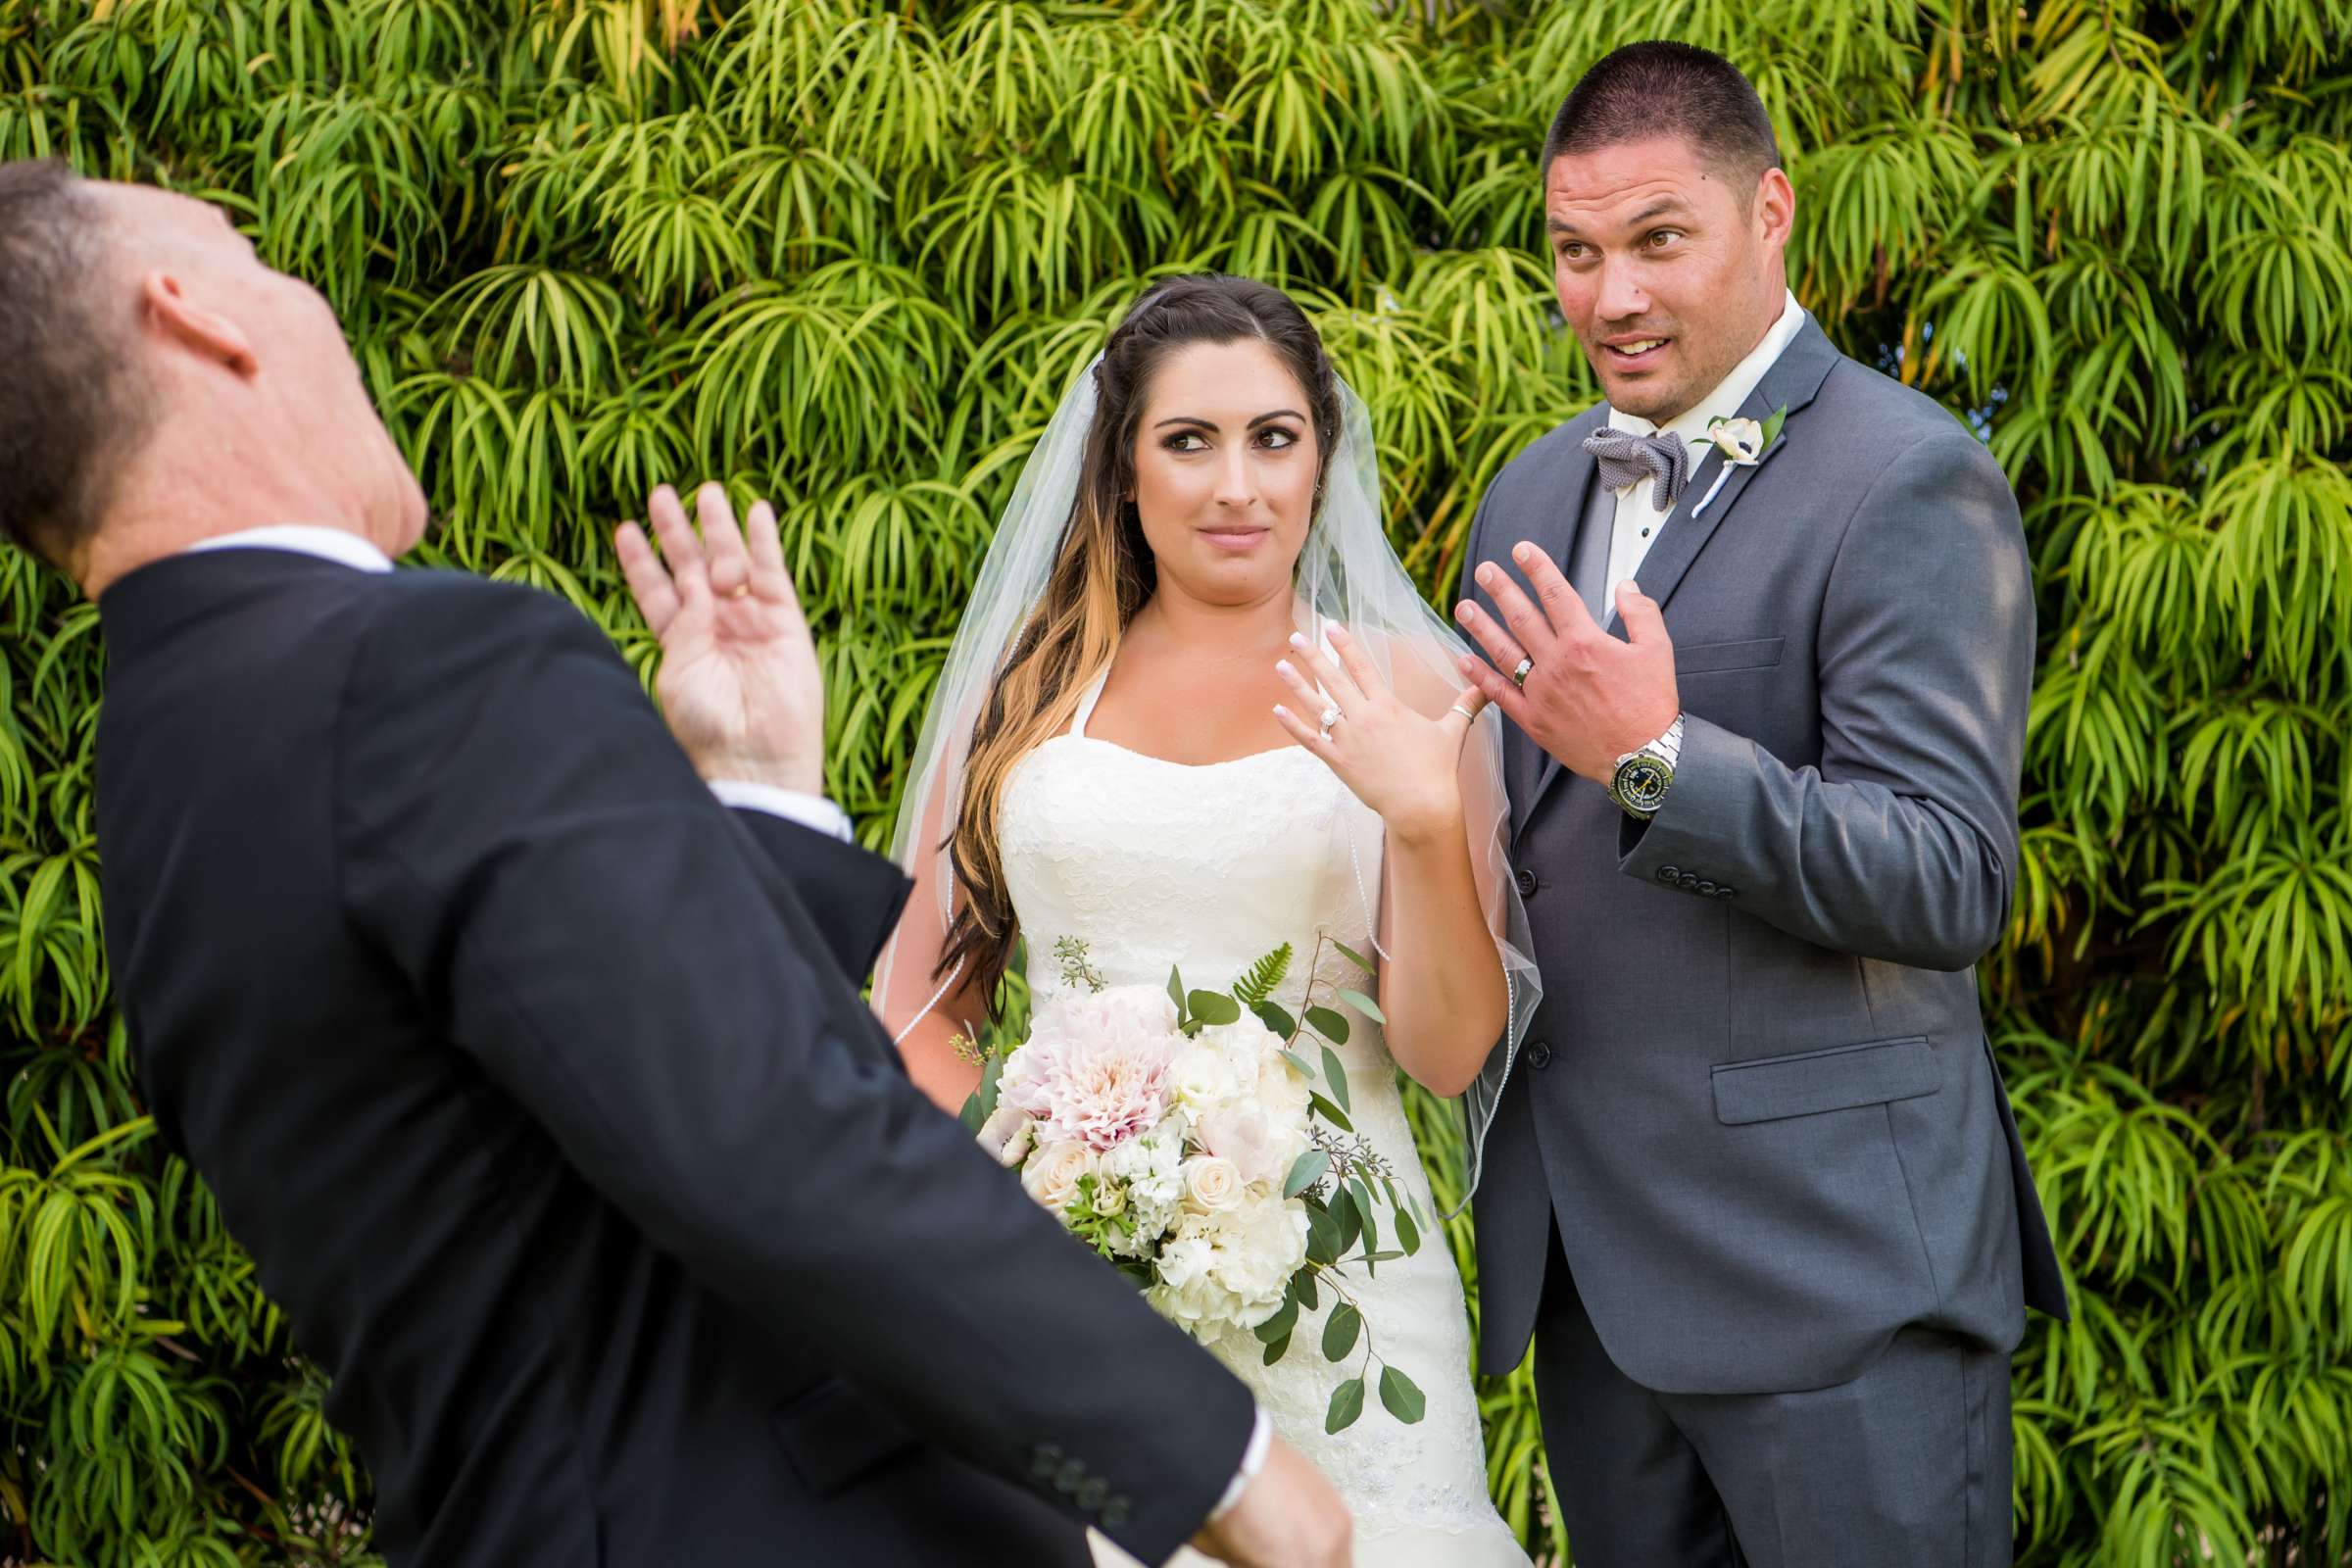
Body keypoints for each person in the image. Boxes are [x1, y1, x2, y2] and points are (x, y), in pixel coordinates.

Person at [0, 159, 1350, 1568]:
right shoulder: (417, 665)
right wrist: (1222, 1461)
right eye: (264, 257)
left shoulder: (163, 763)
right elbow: (768, 1132)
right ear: (198, 316)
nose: (310, 297)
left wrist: (757, 801)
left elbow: (583, 1133)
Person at [1448, 42, 2069, 1568]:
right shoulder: (1531, 493)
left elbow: (1946, 876)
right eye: (1575, 254)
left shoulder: (1908, 476)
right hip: (1596, 1282)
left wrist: (1657, 758)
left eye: (1659, 241)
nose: (1611, 297)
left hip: (1830, 1282)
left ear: (1770, 212)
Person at [872, 272, 1540, 1567]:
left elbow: (1448, 1057)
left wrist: (1420, 822)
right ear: (1124, 473)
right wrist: (1037, 1199)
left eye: (1273, 438)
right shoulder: (1026, 693)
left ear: (1320, 461)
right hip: (1068, 1300)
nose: (1238, 484)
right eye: (1190, 441)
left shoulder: (1410, 690)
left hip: (1353, 1305)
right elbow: (916, 1014)